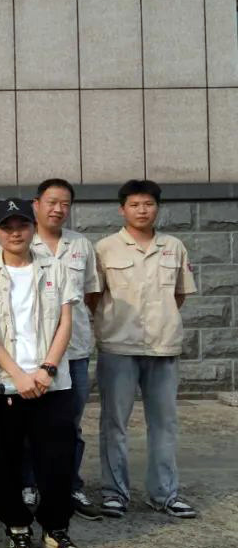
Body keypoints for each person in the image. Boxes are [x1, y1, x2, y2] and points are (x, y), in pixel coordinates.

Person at [0, 198, 88, 548]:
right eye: (6, 226)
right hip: (2, 385)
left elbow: (66, 321)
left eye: (21, 225)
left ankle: (56, 528)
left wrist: (47, 369)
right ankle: (17, 526)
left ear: (32, 227)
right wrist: (19, 375)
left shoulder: (55, 266)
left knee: (56, 461)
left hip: (52, 384)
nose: (15, 232)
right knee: (3, 462)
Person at [90, 180, 198, 519]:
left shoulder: (173, 246)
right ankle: (114, 493)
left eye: (148, 204)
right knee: (114, 424)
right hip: (118, 346)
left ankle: (164, 494)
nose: (142, 210)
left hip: (163, 347)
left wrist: (159, 320)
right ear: (122, 209)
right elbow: (94, 297)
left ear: (157, 208)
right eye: (134, 204)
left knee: (164, 424)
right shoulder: (105, 248)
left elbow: (178, 295)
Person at [24, 179, 102, 520]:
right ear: (36, 204)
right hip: (35, 352)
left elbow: (91, 294)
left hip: (75, 351)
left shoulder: (80, 245)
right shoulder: (24, 241)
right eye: (52, 202)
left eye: (65, 203)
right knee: (30, 423)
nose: (58, 209)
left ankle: (70, 484)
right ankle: (29, 483)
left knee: (70, 424)